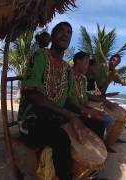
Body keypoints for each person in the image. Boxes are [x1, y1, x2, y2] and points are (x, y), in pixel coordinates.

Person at [17, 22, 83, 180]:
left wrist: (85, 112)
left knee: (92, 123)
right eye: (61, 31)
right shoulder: (40, 56)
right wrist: (68, 114)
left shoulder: (67, 69)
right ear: (52, 36)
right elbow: (32, 95)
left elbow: (68, 98)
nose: (65, 34)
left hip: (55, 118)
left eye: (69, 32)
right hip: (32, 121)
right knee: (61, 138)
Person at [72, 51, 116, 152]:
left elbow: (84, 96)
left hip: (83, 107)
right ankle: (100, 146)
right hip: (76, 109)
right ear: (78, 61)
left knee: (105, 119)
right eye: (86, 62)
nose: (97, 69)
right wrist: (87, 110)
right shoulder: (71, 75)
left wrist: (105, 97)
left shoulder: (83, 79)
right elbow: (75, 98)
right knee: (102, 122)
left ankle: (102, 144)